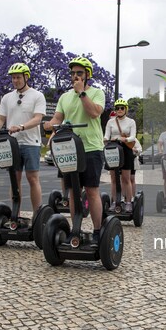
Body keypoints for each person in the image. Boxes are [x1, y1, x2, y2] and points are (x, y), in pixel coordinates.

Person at [43, 57, 105, 246]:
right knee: (72, 192)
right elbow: (58, 118)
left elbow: (94, 113)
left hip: (91, 147)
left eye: (79, 73)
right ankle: (75, 229)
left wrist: (81, 93)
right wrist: (49, 124)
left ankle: (97, 232)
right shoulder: (64, 97)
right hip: (69, 148)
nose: (75, 76)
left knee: (92, 190)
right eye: (73, 73)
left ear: (87, 75)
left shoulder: (96, 93)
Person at [0, 63, 46, 217]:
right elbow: (1, 118)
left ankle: (37, 215)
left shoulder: (37, 96)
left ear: (26, 77)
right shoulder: (7, 98)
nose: (15, 80)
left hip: (31, 143)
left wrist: (21, 127)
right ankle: (15, 214)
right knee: (15, 179)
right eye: (13, 78)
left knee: (32, 178)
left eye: (18, 77)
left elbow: (38, 119)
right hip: (12, 143)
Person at [104, 98, 137, 212]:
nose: (119, 110)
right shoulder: (110, 122)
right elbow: (106, 136)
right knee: (113, 178)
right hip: (113, 149)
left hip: (126, 150)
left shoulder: (131, 122)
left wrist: (124, 138)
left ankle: (128, 202)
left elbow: (133, 137)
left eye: (122, 108)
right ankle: (114, 201)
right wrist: (104, 140)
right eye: (117, 108)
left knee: (126, 178)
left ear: (126, 109)